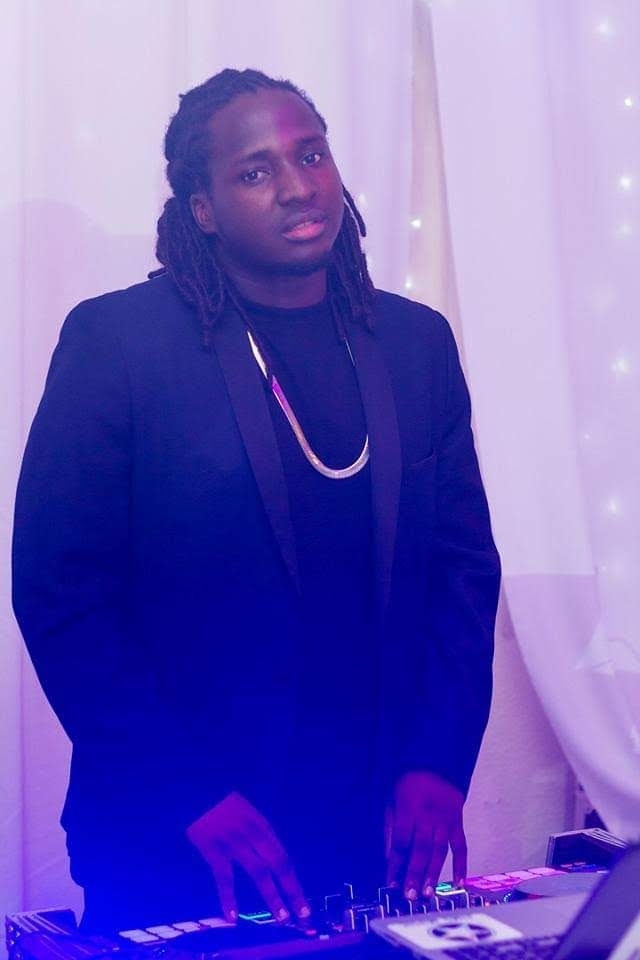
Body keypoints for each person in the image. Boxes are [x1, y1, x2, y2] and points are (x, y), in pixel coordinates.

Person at [12, 68, 500, 934]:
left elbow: (462, 574)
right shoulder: (119, 343)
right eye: (255, 171)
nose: (298, 186)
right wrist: (184, 790)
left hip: (371, 830)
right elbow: (63, 595)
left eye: (310, 155)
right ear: (202, 209)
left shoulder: (415, 343)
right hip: (184, 836)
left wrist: (438, 763)